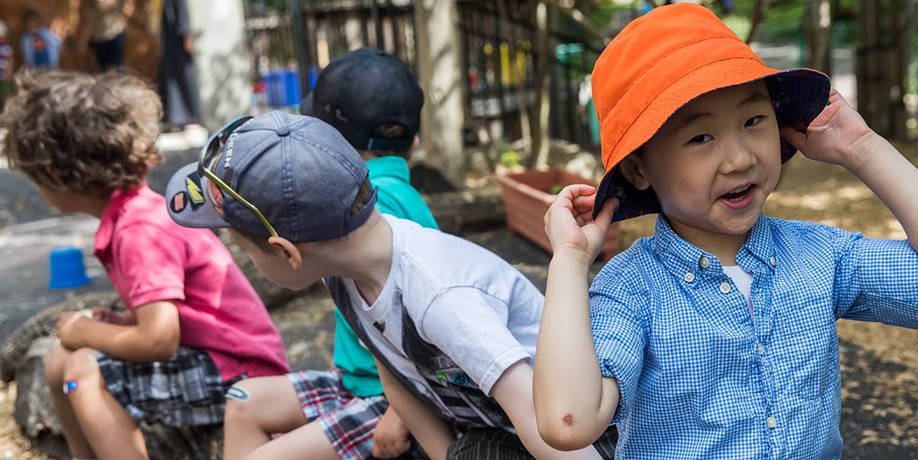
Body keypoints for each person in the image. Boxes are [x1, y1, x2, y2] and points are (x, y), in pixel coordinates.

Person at [533, 3, 918, 459]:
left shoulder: (820, 254)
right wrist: (571, 262)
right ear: (638, 169)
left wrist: (862, 147)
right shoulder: (632, 290)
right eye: (700, 137)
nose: (739, 158)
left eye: (753, 121)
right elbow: (568, 420)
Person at [165, 111, 618, 459]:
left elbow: (546, 425)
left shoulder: (438, 298)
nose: (244, 258)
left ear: (287, 253)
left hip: (574, 435)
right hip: (486, 430)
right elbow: (394, 372)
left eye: (246, 250)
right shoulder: (345, 271)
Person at [0, 70, 290, 460]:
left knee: (82, 371)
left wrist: (86, 330)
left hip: (241, 375)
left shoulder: (140, 230)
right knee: (59, 366)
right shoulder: (131, 216)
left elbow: (158, 340)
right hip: (208, 361)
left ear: (53, 174)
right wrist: (117, 327)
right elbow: (173, 321)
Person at [220, 48, 437, 460]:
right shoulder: (388, 194)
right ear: (414, 140)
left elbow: (426, 326)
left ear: (326, 138)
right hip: (356, 380)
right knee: (244, 399)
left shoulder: (369, 210)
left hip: (391, 396)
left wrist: (400, 411)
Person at [158, 0, 203, 131]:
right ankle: (176, 117)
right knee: (172, 73)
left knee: (186, 72)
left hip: (180, 28)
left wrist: (186, 30)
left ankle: (192, 117)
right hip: (171, 29)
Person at [78, 0, 129, 71]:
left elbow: (107, 6)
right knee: (103, 69)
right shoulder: (88, 4)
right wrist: (83, 43)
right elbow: (88, 24)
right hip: (98, 40)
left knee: (117, 68)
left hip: (113, 36)